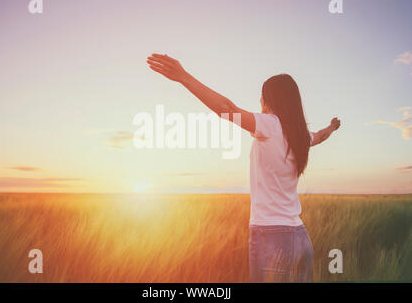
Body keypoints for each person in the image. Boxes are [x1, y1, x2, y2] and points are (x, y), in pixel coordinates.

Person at [146, 53, 341, 282]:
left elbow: (225, 108)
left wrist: (183, 77)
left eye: (261, 97)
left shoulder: (269, 125)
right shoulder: (302, 136)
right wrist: (332, 126)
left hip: (272, 238)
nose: (259, 103)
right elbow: (321, 135)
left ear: (270, 101)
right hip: (301, 238)